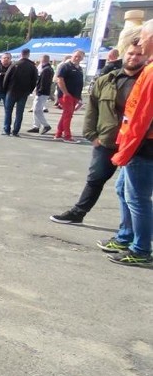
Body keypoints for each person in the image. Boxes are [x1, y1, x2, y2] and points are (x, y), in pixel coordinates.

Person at [50, 37, 146, 225]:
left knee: (132, 191)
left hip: (137, 144)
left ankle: (130, 234)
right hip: (107, 140)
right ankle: (78, 212)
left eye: (139, 54)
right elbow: (92, 110)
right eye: (131, 53)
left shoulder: (146, 81)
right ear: (124, 54)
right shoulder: (107, 80)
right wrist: (92, 135)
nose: (134, 57)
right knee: (95, 179)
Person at [101, 19, 153, 266]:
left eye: (144, 37)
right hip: (139, 144)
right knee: (124, 190)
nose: (141, 42)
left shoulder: (151, 73)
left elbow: (140, 118)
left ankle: (141, 249)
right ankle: (126, 237)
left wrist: (125, 150)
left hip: (143, 147)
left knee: (138, 198)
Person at [2, 48, 39, 136]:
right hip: (23, 92)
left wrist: (5, 89)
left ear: (20, 54)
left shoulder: (14, 64)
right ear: (28, 55)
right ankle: (16, 131)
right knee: (19, 113)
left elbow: (6, 78)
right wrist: (29, 90)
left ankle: (6, 130)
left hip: (11, 91)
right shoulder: (32, 66)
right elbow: (34, 80)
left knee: (8, 111)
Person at [53, 49, 86, 142]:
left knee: (66, 115)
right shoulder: (65, 66)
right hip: (66, 95)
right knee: (68, 115)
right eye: (76, 55)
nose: (77, 58)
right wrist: (66, 93)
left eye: (80, 56)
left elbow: (79, 83)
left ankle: (58, 133)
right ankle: (67, 136)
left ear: (82, 58)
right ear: (72, 55)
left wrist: (79, 98)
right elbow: (59, 80)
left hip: (75, 95)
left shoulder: (79, 68)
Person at [27, 55, 54, 135]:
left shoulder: (46, 70)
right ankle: (36, 126)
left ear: (42, 60)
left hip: (42, 92)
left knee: (36, 110)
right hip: (44, 92)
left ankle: (46, 125)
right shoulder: (48, 69)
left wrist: (39, 91)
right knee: (38, 109)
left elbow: (43, 82)